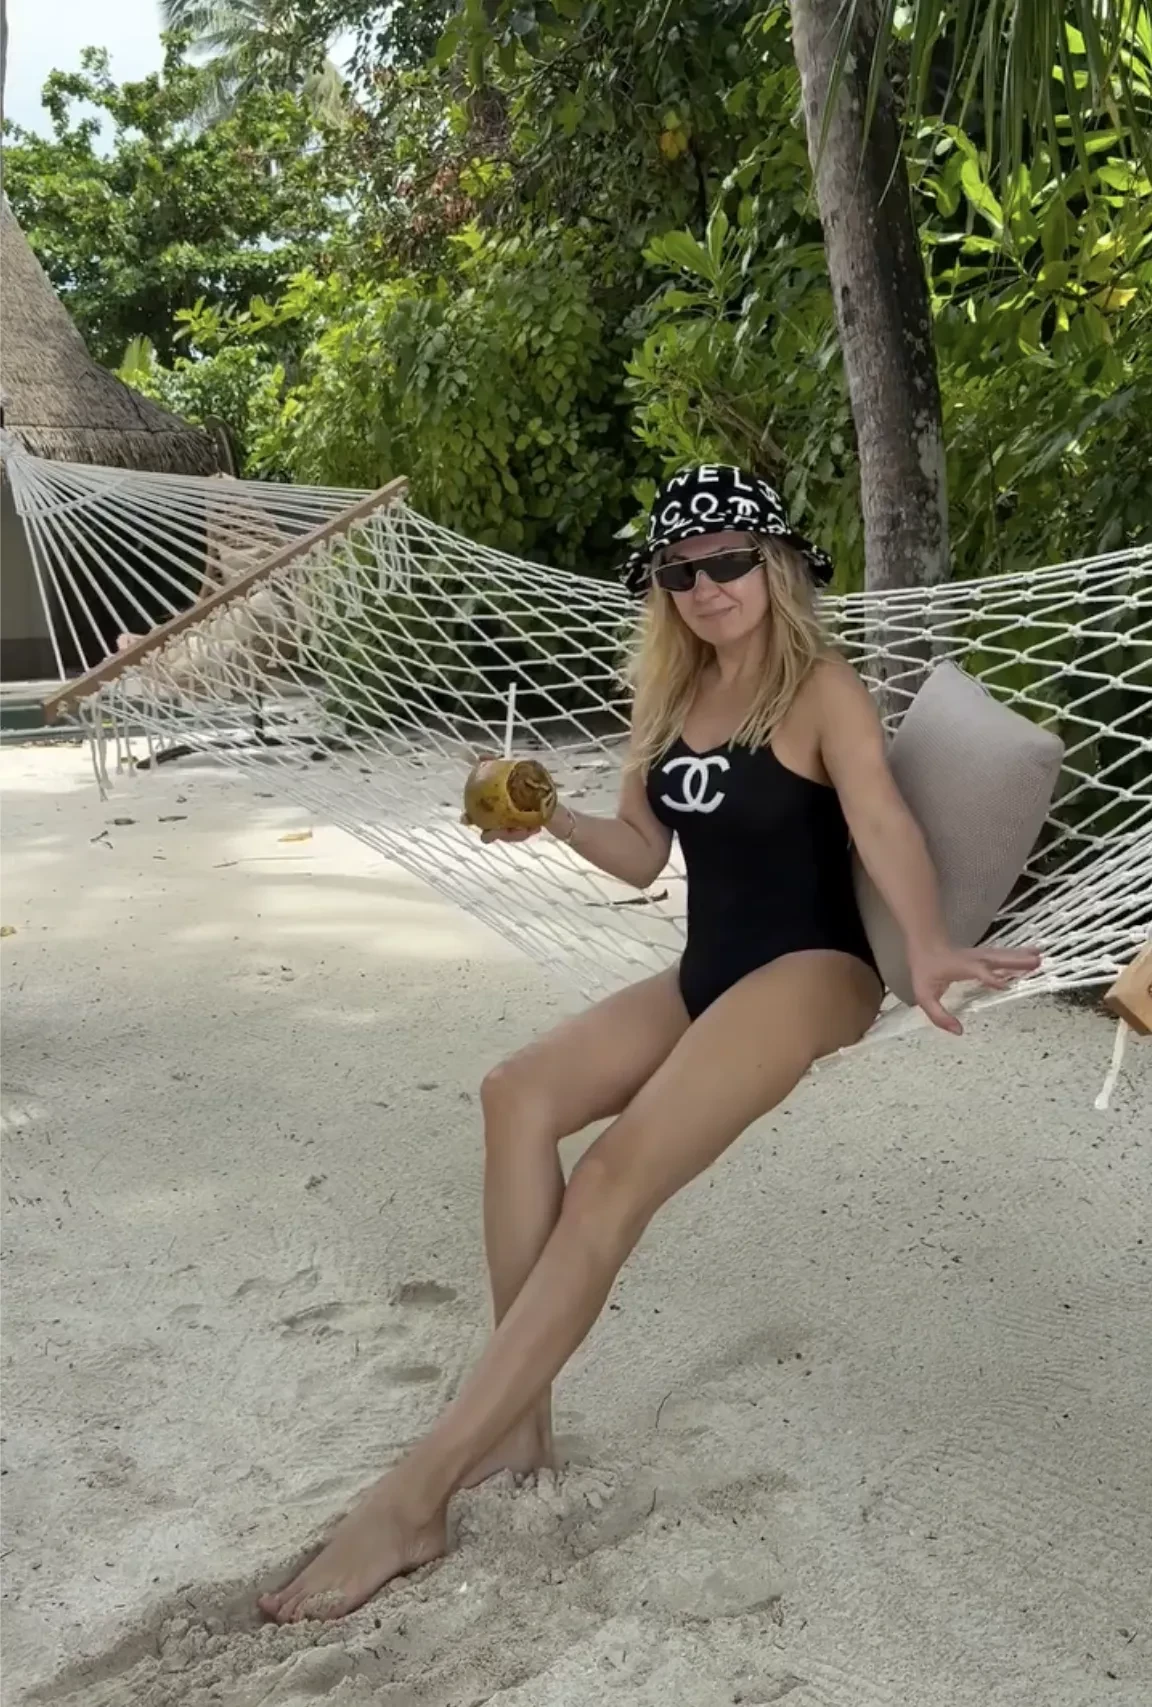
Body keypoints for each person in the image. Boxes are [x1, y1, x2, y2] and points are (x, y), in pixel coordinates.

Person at [258, 464, 1040, 1624]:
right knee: (514, 1093)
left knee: (612, 1175)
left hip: (814, 971)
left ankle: (415, 1495)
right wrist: (551, 816)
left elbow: (880, 820)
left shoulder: (819, 688)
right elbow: (638, 856)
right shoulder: (668, 697)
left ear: (775, 567)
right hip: (708, 971)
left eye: (730, 561)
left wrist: (926, 946)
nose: (708, 585)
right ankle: (517, 1430)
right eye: (682, 570)